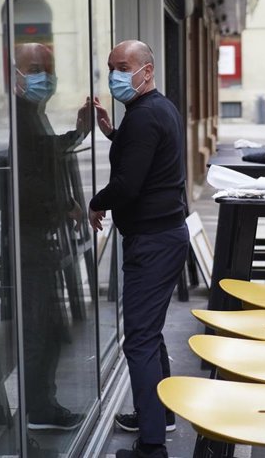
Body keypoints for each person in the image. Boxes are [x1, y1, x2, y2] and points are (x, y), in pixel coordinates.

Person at [88, 40, 189, 458]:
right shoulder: (156, 110)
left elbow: (128, 185)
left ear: (146, 71)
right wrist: (113, 133)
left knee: (139, 340)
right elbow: (141, 156)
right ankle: (159, 414)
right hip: (165, 237)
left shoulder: (145, 119)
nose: (114, 74)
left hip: (152, 242)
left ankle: (151, 443)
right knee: (149, 332)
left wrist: (96, 201)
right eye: (111, 67)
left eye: (123, 66)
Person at [15, 42, 89, 432]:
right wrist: (64, 206)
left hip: (37, 235)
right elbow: (28, 181)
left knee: (50, 326)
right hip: (26, 237)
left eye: (49, 67)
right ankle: (40, 409)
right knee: (41, 326)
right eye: (35, 67)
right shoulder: (19, 117)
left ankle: (43, 404)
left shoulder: (32, 114)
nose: (45, 75)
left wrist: (78, 133)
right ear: (15, 74)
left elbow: (46, 156)